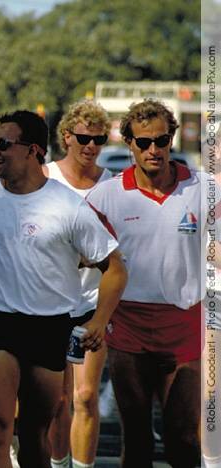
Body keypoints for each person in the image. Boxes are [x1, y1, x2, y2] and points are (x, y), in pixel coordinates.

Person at [0, 110, 127, 468]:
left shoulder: (67, 206)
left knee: (35, 437)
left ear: (33, 150)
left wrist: (99, 320)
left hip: (48, 327)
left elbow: (114, 268)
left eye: (3, 144)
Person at [85, 99, 204, 468]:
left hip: (185, 323)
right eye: (143, 142)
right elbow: (79, 252)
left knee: (182, 438)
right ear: (129, 144)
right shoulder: (105, 196)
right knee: (136, 439)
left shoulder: (204, 188)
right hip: (129, 325)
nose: (154, 150)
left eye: (162, 140)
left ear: (171, 141)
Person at [44, 100, 113, 468]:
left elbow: (121, 246)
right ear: (67, 137)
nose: (91, 146)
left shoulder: (111, 185)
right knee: (58, 399)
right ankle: (59, 463)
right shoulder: (44, 177)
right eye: (84, 137)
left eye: (99, 139)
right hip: (51, 301)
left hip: (92, 300)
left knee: (85, 395)